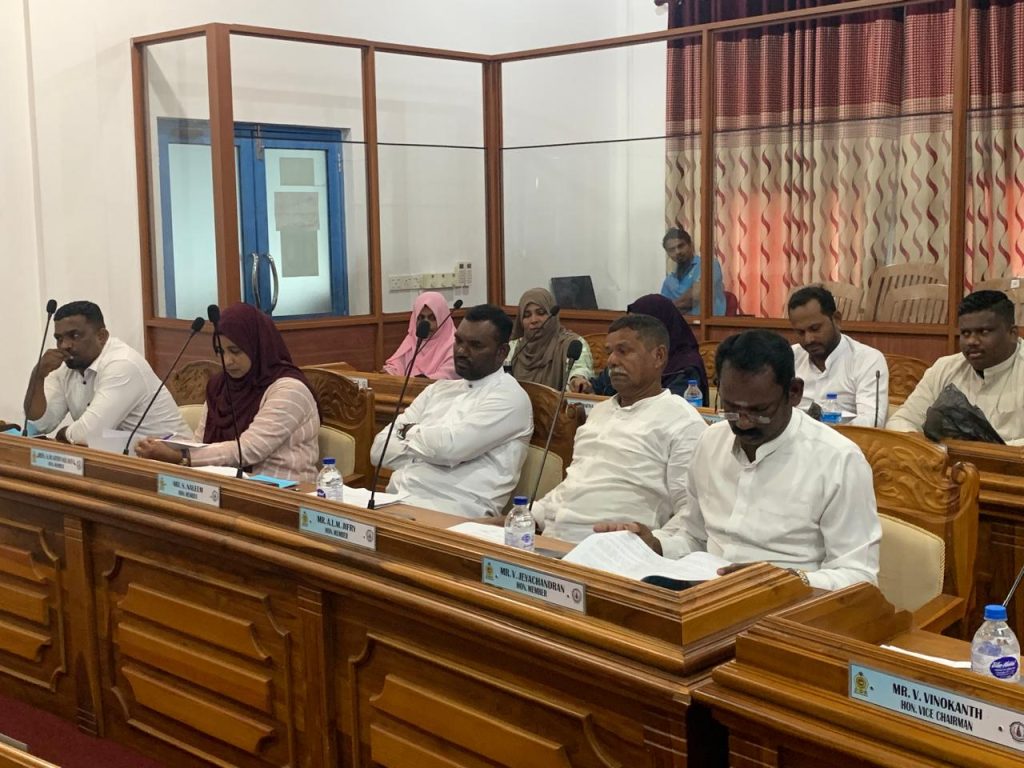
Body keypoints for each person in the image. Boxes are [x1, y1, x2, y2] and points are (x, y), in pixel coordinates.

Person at [597, 330, 880, 591]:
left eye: (759, 411)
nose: (743, 423)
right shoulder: (711, 442)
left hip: (788, 605)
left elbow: (859, 576)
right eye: (731, 408)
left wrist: (786, 580)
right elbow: (695, 537)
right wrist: (655, 544)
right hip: (706, 592)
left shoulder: (838, 460)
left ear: (793, 393)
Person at [531, 314, 707, 543]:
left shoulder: (682, 422)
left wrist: (656, 544)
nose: (612, 361)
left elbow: (690, 514)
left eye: (623, 351)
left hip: (614, 547)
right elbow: (574, 484)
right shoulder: (600, 412)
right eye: (609, 352)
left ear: (659, 356)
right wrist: (529, 517)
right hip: (550, 541)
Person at [371, 304, 533, 517]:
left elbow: (450, 449)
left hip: (454, 514)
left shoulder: (509, 397)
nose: (461, 351)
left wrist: (407, 432)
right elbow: (379, 450)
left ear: (502, 352)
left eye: (475, 345)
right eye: (458, 341)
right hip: (395, 501)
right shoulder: (438, 389)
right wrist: (432, 451)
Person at [136, 303, 320, 483]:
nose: (227, 361)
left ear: (257, 346)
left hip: (285, 491)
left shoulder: (290, 390)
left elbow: (248, 449)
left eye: (235, 351)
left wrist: (181, 457)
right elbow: (199, 442)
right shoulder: (220, 386)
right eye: (220, 351)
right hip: (226, 486)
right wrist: (168, 448)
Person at [24, 300, 188, 445]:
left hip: (174, 461)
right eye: (59, 338)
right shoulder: (67, 366)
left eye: (75, 335)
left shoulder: (122, 364)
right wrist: (38, 376)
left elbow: (89, 435)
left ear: (101, 336)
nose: (65, 345)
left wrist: (64, 433)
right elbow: (41, 424)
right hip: (120, 458)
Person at [887, 290, 1024, 444]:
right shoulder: (945, 368)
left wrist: (988, 451)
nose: (972, 341)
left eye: (984, 332)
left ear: (1012, 333)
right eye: (965, 333)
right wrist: (925, 445)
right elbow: (901, 421)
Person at [788, 285, 889, 427]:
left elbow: (873, 421)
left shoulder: (867, 360)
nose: (809, 339)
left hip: (846, 439)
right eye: (800, 332)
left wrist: (826, 433)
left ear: (836, 319)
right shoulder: (789, 357)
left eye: (815, 329)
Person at [585, 294, 708, 403]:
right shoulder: (620, 360)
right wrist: (584, 385)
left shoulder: (685, 368)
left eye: (635, 326)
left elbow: (671, 407)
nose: (612, 360)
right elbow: (596, 387)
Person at [505, 288, 593, 392]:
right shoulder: (514, 348)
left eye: (541, 313)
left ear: (553, 316)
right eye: (527, 315)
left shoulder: (572, 343)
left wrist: (576, 379)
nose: (534, 320)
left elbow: (580, 369)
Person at [383, 291, 457, 379]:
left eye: (432, 318)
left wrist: (420, 381)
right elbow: (396, 365)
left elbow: (447, 375)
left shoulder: (455, 344)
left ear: (442, 317)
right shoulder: (413, 339)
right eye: (421, 318)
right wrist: (389, 373)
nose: (426, 324)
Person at [659, 227, 726, 316]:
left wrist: (668, 309)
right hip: (679, 323)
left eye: (681, 246)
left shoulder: (708, 264)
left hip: (708, 323)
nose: (677, 252)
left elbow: (695, 297)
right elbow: (662, 308)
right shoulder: (669, 281)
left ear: (691, 245)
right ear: (668, 254)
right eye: (672, 250)